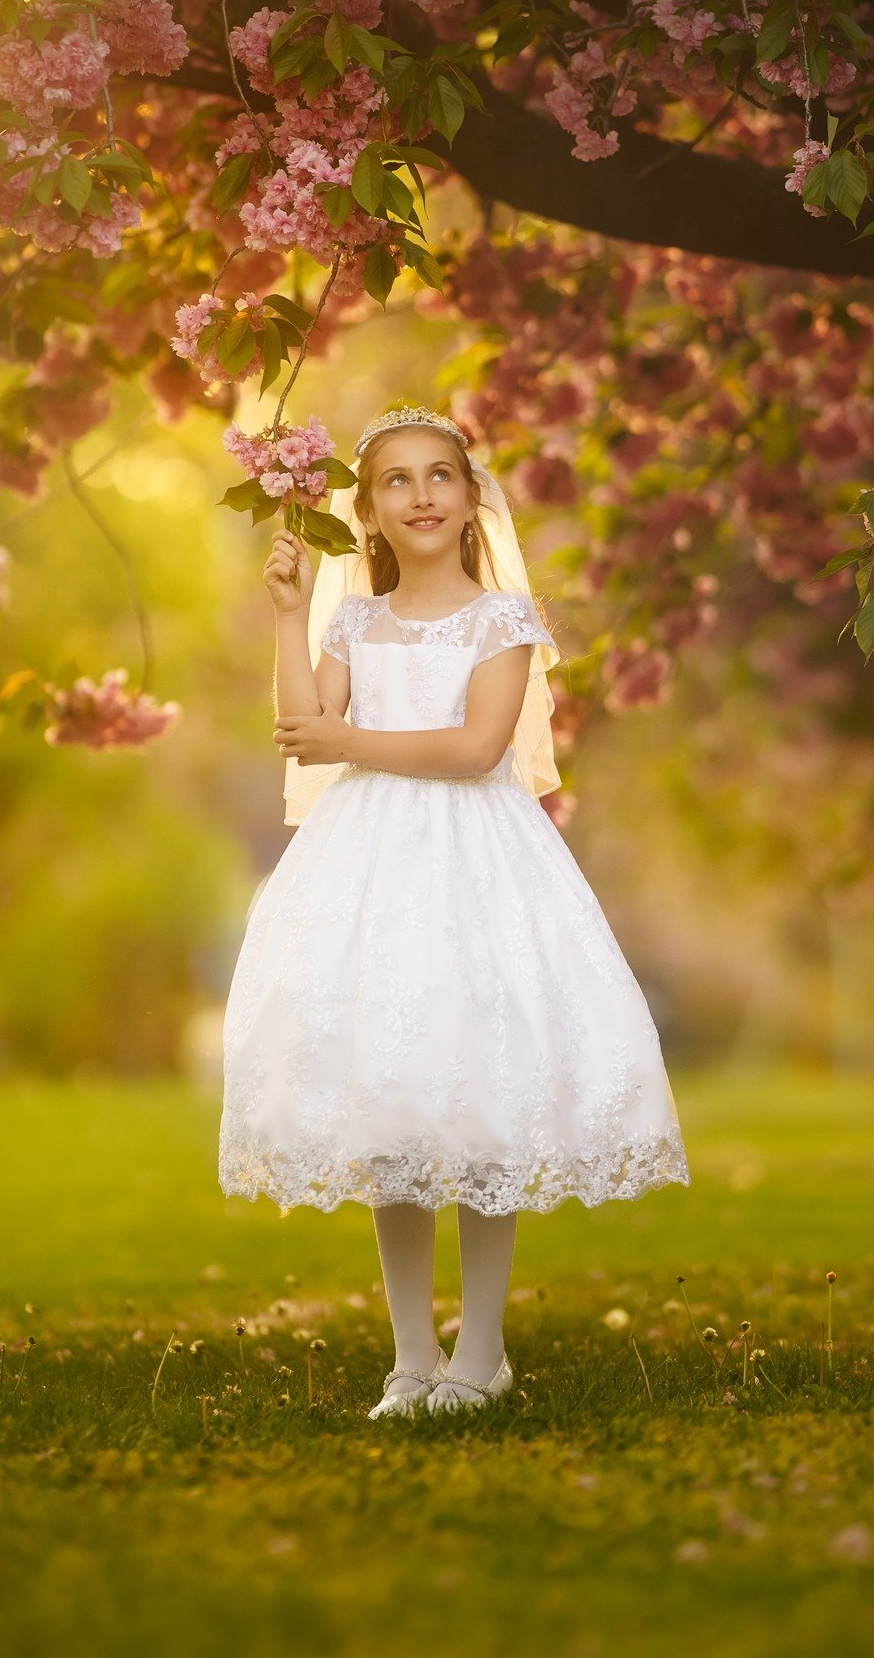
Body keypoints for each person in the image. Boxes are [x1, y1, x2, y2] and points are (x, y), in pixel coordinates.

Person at [218, 405, 690, 1417]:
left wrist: (351, 741)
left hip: (476, 861)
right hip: (370, 868)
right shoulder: (354, 622)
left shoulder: (502, 620)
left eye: (441, 475)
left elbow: (476, 749)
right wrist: (287, 618)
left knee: (481, 1091)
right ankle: (409, 1355)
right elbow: (302, 725)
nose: (422, 493)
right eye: (398, 479)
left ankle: (481, 1349)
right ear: (369, 510)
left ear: (474, 500)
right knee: (396, 1101)